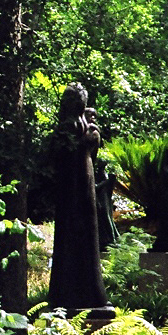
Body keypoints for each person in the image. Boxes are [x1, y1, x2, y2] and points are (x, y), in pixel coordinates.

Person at [46, 83, 113, 318]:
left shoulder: (67, 129)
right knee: (84, 239)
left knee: (72, 238)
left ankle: (66, 296)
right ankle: (88, 294)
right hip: (81, 184)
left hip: (71, 186)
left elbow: (53, 157)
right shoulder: (88, 130)